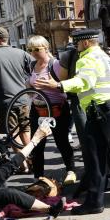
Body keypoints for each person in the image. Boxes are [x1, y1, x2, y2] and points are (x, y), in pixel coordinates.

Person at [36, 28, 110, 213]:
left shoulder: (87, 58)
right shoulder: (106, 57)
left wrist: (58, 85)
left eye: (78, 43)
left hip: (101, 112)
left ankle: (94, 203)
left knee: (95, 157)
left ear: (86, 42)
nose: (77, 47)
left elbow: (83, 82)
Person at [26, 35, 77, 185]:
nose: (33, 52)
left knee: (61, 142)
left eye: (37, 49)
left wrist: (51, 85)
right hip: (37, 109)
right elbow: (30, 88)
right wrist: (29, 87)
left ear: (46, 48)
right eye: (30, 49)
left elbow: (65, 86)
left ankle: (71, 171)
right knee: (37, 144)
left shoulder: (54, 64)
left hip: (57, 109)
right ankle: (38, 177)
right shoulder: (32, 65)